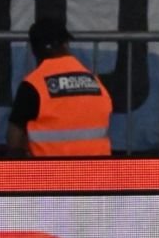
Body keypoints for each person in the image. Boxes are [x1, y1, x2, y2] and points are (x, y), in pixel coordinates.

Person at [6, 19, 112, 156]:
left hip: (53, 168)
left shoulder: (33, 85)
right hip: (99, 167)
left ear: (34, 50)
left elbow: (14, 140)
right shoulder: (94, 81)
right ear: (65, 44)